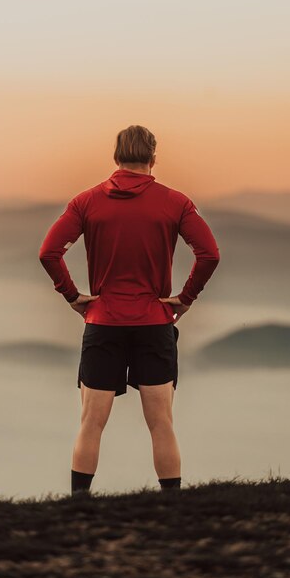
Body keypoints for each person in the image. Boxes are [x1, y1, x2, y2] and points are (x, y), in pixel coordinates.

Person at [38, 125, 220, 496]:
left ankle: (79, 505)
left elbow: (49, 253)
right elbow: (209, 254)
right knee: (161, 424)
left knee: (91, 422)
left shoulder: (85, 202)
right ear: (154, 157)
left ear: (115, 156)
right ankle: (172, 503)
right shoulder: (175, 202)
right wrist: (185, 299)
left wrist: (73, 296)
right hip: (154, 323)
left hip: (103, 323)